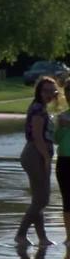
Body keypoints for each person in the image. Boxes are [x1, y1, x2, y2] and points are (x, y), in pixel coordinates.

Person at [15, 76, 60, 246]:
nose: (49, 94)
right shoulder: (38, 109)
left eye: (52, 91)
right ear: (39, 92)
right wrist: (47, 158)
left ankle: (42, 238)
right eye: (46, 91)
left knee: (38, 199)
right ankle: (20, 234)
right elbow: (37, 137)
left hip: (36, 154)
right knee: (42, 200)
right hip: (35, 154)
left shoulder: (41, 108)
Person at [56, 80, 70, 244]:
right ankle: (69, 236)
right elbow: (56, 139)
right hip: (64, 160)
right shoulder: (62, 116)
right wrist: (62, 127)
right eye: (67, 93)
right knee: (67, 199)